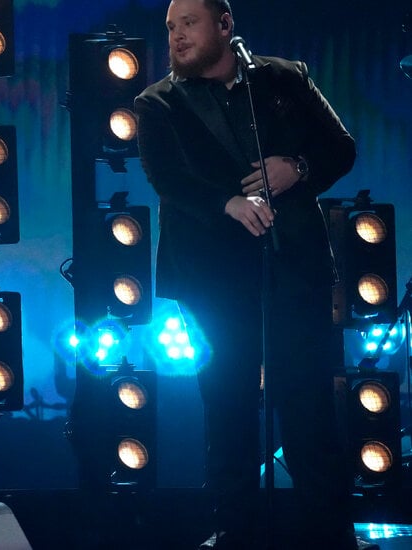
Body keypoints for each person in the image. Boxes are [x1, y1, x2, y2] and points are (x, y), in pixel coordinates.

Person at [134, 1, 373, 549]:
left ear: (225, 25)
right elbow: (167, 179)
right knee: (227, 403)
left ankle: (330, 531)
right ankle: (234, 529)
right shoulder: (158, 104)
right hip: (214, 279)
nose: (176, 36)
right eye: (170, 28)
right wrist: (227, 204)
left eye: (188, 24)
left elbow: (340, 147)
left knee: (308, 402)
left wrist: (298, 169)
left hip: (293, 269)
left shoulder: (284, 79)